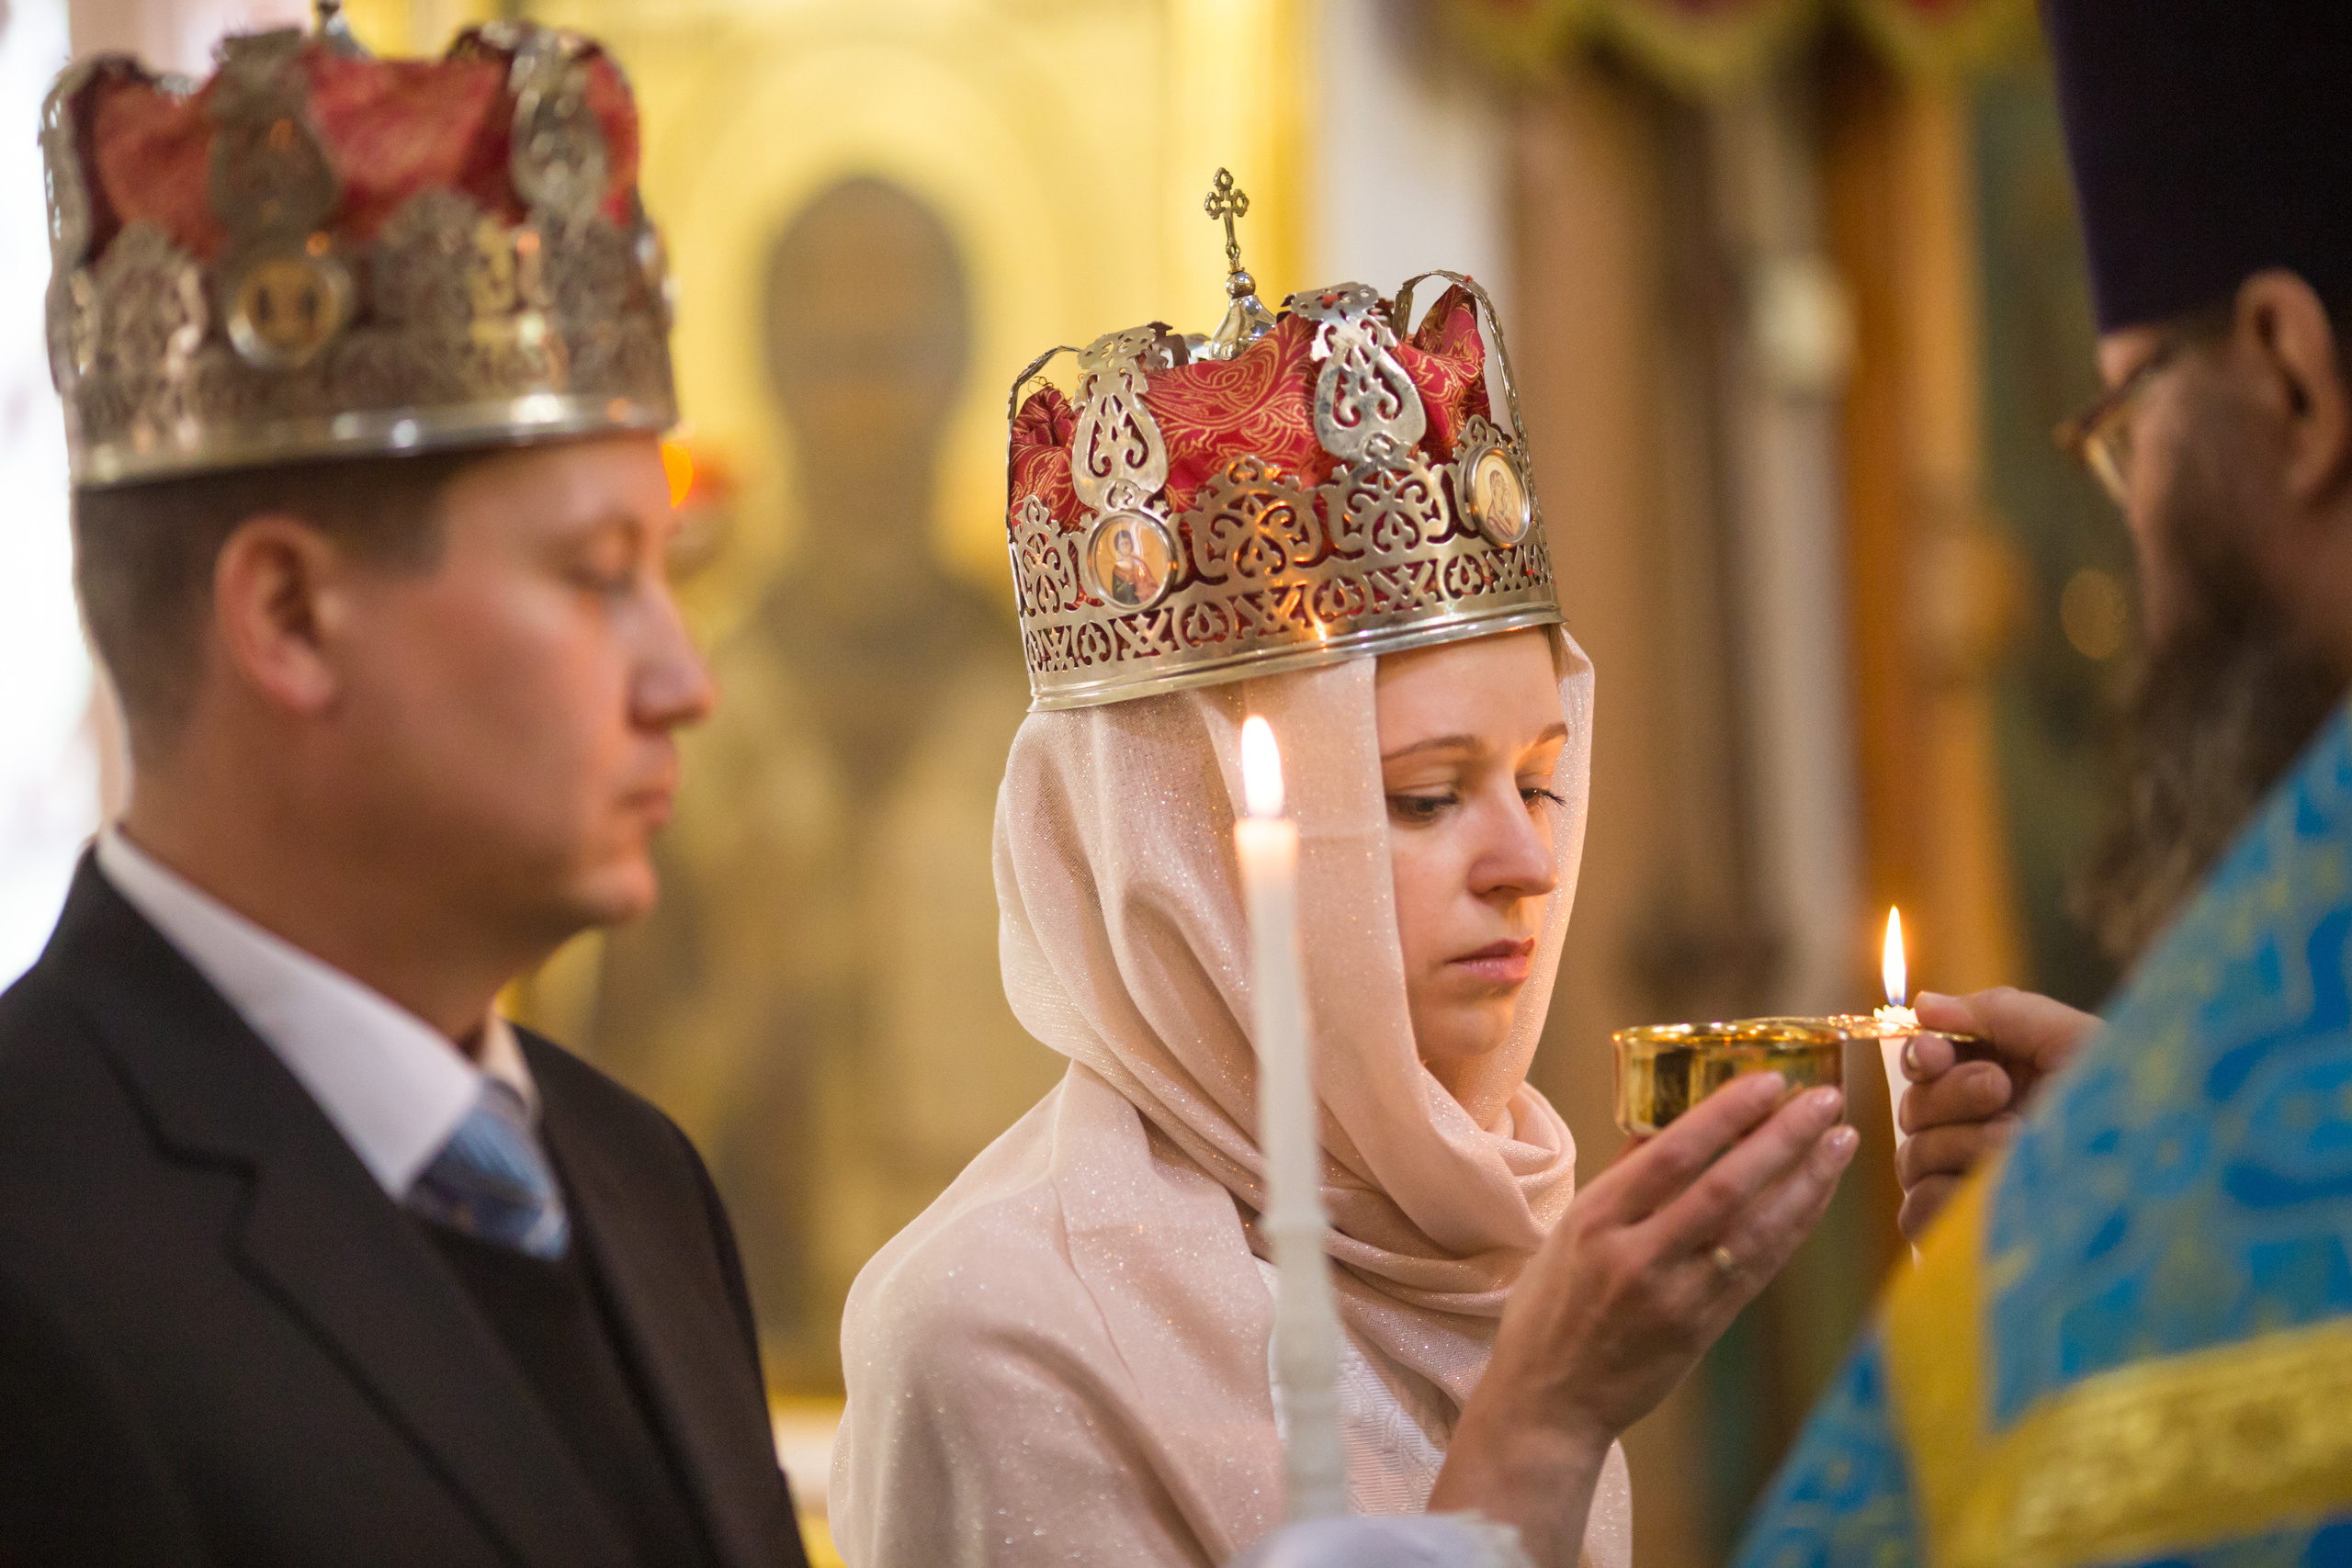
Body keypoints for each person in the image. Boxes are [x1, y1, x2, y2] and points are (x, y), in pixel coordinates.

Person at [831, 268, 1859, 1567]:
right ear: (1183, 851)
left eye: (1542, 781)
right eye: (1424, 799)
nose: (1529, 861)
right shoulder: (1003, 1330)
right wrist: (1534, 1435)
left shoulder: (1493, 1219)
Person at [0, 17, 808, 1568]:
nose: (685, 680)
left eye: (672, 569)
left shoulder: (636, 1177)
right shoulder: (28, 1250)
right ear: (293, 617)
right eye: (598, 577)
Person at [1736, 3, 2352, 1562]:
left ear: (2290, 377)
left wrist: (2136, 1211)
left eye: (2129, 426)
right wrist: (2154, 1132)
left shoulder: (2068, 1333)